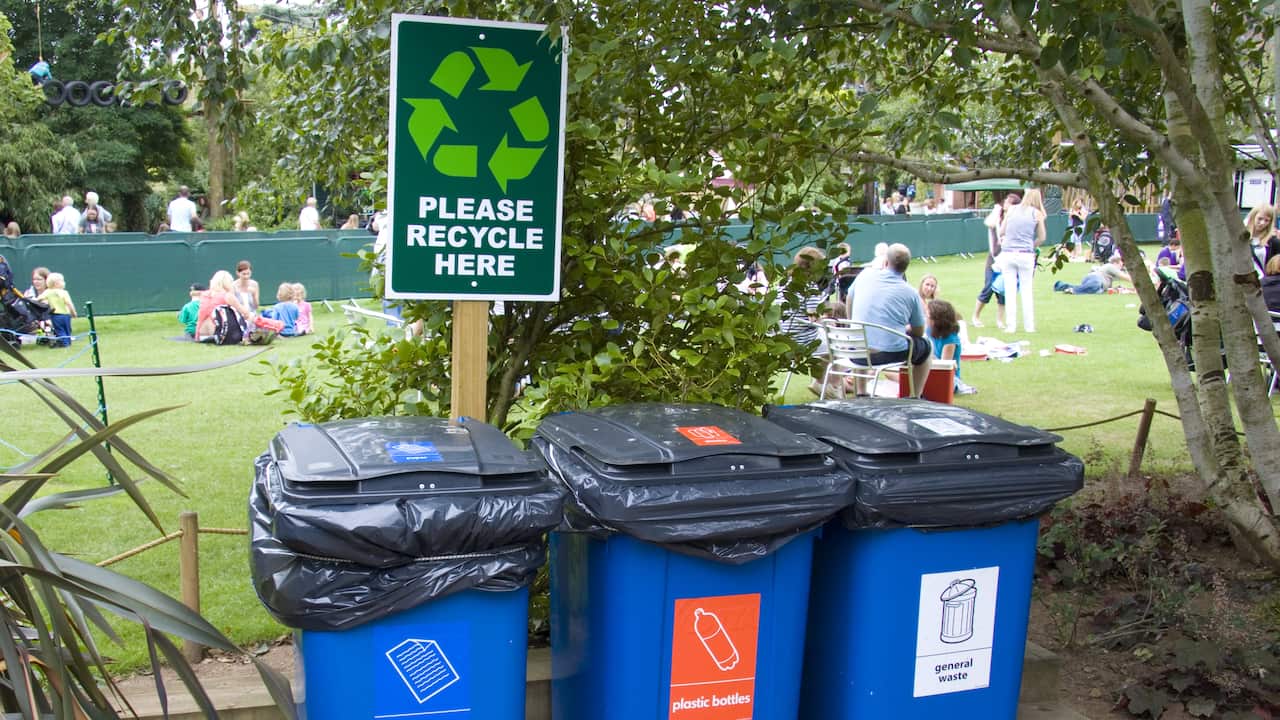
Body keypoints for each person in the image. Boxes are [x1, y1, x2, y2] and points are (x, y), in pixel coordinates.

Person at [847, 243, 932, 396]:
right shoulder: (910, 293)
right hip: (887, 354)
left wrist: (852, 323)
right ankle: (915, 396)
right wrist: (905, 330)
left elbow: (849, 298)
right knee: (925, 347)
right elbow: (919, 331)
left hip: (855, 351)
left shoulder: (864, 275)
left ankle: (861, 392)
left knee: (861, 335)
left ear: (886, 262)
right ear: (906, 267)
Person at [997, 189, 1046, 333]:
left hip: (1008, 253)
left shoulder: (1011, 210)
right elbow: (1042, 237)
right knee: (1026, 290)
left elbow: (1002, 231)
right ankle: (1029, 326)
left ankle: (1010, 326)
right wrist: (1032, 245)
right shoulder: (1036, 213)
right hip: (1025, 254)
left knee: (1010, 291)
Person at [972, 197, 1009, 327]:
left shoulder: (1012, 220)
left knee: (1002, 292)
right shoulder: (996, 219)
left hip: (1007, 261)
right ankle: (976, 316)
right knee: (988, 288)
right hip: (994, 261)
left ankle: (1000, 320)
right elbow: (989, 223)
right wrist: (996, 211)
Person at [928, 299, 975, 396]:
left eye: (929, 317)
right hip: (931, 369)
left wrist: (927, 355)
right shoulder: (929, 330)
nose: (926, 318)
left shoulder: (950, 339)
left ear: (937, 319)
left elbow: (944, 367)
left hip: (948, 377)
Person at [195, 270, 255, 342]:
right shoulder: (227, 296)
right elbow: (245, 313)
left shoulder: (204, 295)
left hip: (201, 335)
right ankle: (247, 337)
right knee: (251, 315)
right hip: (218, 335)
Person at [1053, 253, 1132, 294]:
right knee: (1095, 286)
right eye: (1121, 264)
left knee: (1096, 290)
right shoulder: (1110, 266)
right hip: (1095, 279)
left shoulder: (1109, 274)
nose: (1122, 267)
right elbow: (1125, 277)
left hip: (1093, 280)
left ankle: (1061, 286)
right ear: (1115, 263)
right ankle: (1074, 290)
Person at [38, 272, 76, 347]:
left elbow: (38, 299)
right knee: (67, 329)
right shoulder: (64, 292)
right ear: (56, 283)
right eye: (62, 281)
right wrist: (73, 313)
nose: (64, 283)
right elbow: (69, 303)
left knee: (60, 330)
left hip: (56, 315)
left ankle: (65, 343)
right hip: (66, 315)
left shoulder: (48, 292)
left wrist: (43, 302)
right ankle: (68, 342)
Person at [1245, 204, 1280, 275]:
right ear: (1253, 217)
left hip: (1264, 282)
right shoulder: (1242, 238)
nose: (1262, 223)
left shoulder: (1273, 241)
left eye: (1266, 220)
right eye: (1260, 218)